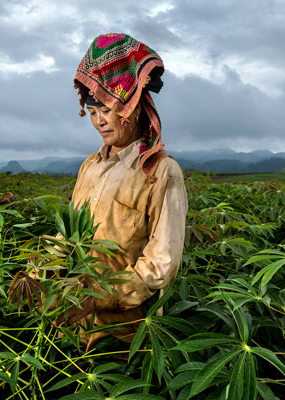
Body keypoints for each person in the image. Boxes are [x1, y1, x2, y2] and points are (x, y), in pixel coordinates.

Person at [65, 33, 188, 348]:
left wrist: (103, 295)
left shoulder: (161, 171)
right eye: (92, 113)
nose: (100, 122)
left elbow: (162, 264)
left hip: (127, 335)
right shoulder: (89, 166)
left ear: (132, 107)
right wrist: (37, 270)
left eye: (106, 110)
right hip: (75, 324)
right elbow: (70, 238)